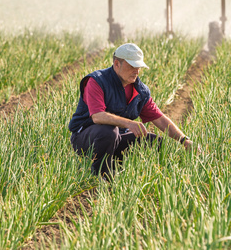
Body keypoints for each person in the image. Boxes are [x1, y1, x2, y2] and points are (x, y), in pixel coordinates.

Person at [68, 43, 194, 180]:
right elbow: (97, 116)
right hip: (87, 138)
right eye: (132, 66)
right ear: (117, 64)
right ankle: (101, 175)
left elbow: (159, 118)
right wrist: (129, 124)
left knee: (154, 142)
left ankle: (146, 176)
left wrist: (184, 140)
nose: (137, 71)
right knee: (109, 132)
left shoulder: (140, 90)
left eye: (138, 67)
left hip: (116, 139)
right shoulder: (97, 81)